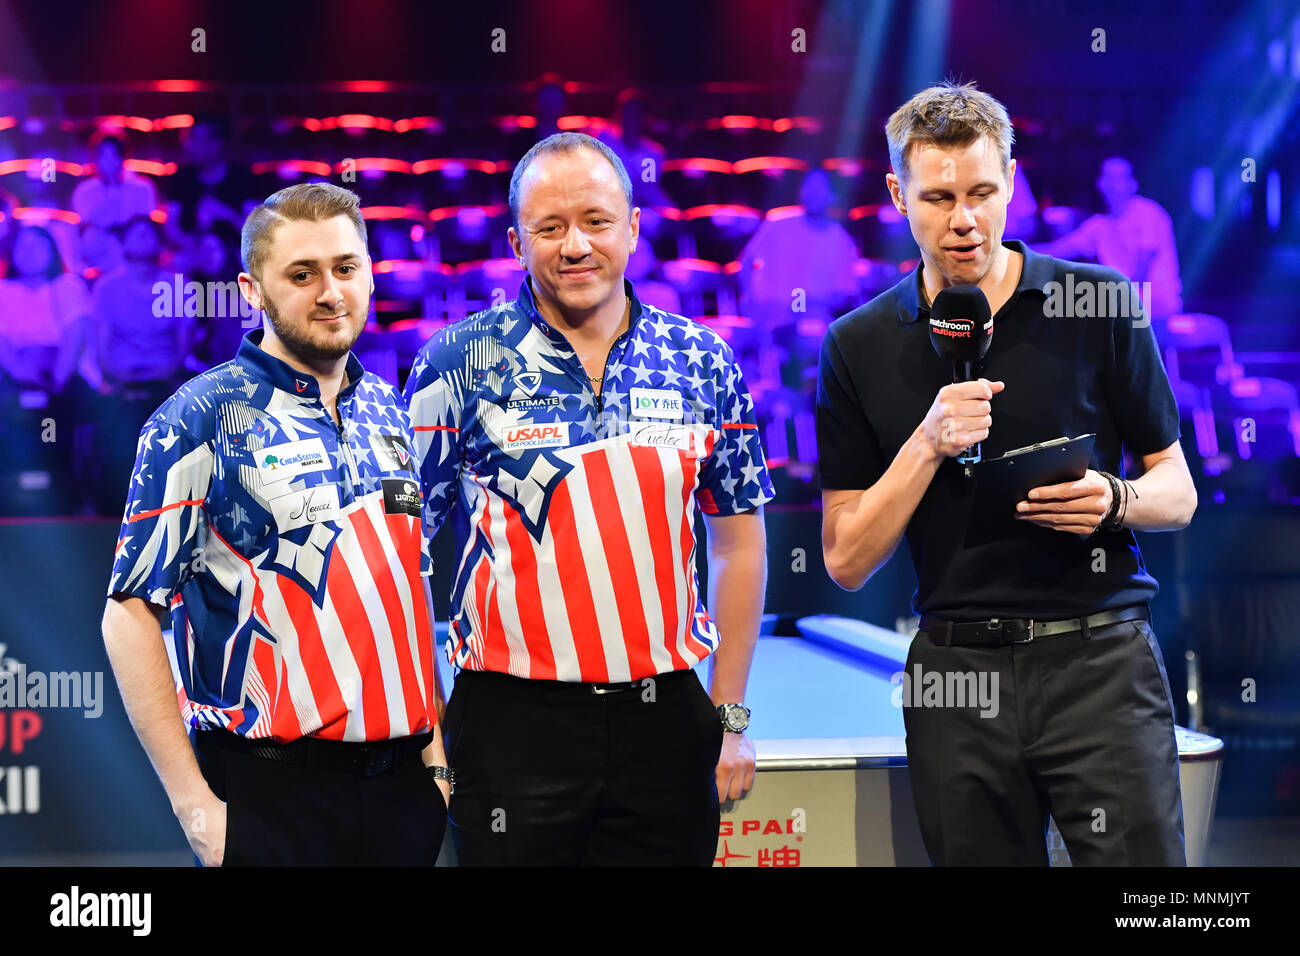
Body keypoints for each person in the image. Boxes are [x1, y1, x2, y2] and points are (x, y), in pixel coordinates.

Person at [817, 82, 1197, 866]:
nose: (964, 221)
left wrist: (1116, 500)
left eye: (984, 193)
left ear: (1013, 181)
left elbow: (1179, 491)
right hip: (955, 677)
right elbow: (846, 559)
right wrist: (925, 443)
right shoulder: (857, 344)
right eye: (940, 198)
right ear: (897, 193)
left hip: (1100, 662)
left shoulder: (1100, 302)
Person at [404, 132, 773, 866]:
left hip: (666, 721)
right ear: (516, 242)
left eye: (597, 221)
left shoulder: (702, 360)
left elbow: (739, 542)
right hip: (509, 724)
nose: (576, 246)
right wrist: (431, 730)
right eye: (550, 227)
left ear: (633, 229)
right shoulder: (456, 364)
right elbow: (404, 557)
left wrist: (728, 712)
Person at [101, 183, 450, 867]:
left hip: (404, 793)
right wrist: (196, 808)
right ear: (251, 290)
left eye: (346, 268)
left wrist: (436, 766)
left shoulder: (389, 407)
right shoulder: (198, 418)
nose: (330, 292)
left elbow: (409, 593)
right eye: (302, 274)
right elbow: (128, 616)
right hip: (271, 791)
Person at [1041, 156, 1183, 320]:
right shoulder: (1099, 225)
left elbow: (1141, 275)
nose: (1112, 185)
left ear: (1133, 184)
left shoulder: (1148, 213)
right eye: (1107, 178)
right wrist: (1013, 250)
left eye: (1119, 178)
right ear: (1100, 184)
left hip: (1157, 302)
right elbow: (1057, 250)